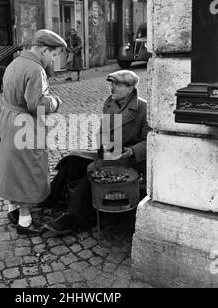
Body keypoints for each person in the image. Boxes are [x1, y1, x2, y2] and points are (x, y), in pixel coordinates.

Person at [44, 70, 152, 235]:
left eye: (117, 84)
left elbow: (150, 140)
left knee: (95, 170)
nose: (112, 88)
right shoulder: (110, 104)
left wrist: (131, 151)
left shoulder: (143, 108)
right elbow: (103, 131)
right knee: (73, 160)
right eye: (111, 84)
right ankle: (51, 198)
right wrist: (103, 143)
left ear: (130, 88)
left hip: (130, 158)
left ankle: (74, 218)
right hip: (110, 152)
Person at [0, 29, 67, 235]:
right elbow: (37, 105)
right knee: (28, 167)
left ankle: (13, 209)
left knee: (11, 166)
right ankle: (25, 222)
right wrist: (55, 101)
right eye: (53, 55)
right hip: (25, 125)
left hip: (8, 120)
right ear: (44, 50)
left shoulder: (15, 62)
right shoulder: (36, 69)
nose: (53, 59)